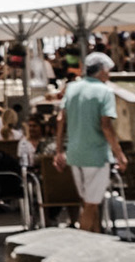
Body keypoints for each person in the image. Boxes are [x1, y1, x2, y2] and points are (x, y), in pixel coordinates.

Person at [53, 52, 125, 232]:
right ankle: (83, 243)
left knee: (87, 203)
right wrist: (119, 154)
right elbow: (106, 125)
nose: (109, 74)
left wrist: (59, 150)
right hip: (96, 155)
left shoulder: (72, 88)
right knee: (92, 204)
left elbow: (61, 119)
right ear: (101, 71)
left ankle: (97, 240)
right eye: (108, 70)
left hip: (74, 153)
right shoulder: (105, 91)